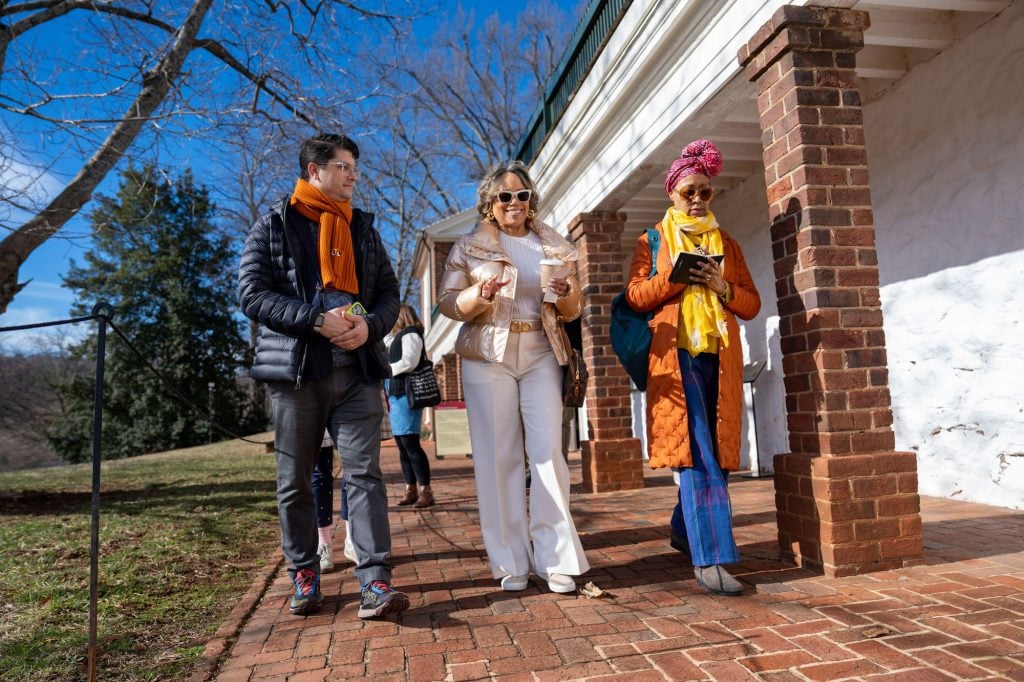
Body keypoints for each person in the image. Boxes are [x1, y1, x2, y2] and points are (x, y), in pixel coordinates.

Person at [238, 132, 409, 619]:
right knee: (293, 482)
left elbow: (389, 296)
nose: (354, 174)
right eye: (343, 166)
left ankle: (374, 583)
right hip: (298, 375)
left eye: (355, 166)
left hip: (356, 372)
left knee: (366, 477)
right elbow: (252, 294)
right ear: (315, 170)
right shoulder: (274, 225)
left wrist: (369, 327)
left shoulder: (363, 230)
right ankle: (305, 574)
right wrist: (316, 320)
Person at [438, 160, 589, 594]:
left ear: (531, 199)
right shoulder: (469, 246)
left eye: (521, 195)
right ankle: (510, 560)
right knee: (497, 457)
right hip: (488, 354)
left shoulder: (554, 246)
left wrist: (567, 294)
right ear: (490, 203)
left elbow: (573, 311)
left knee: (548, 454)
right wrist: (477, 295)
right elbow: (448, 302)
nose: (514, 203)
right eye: (504, 196)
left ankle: (556, 559)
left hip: (542, 349)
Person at [625, 139, 761, 596]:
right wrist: (674, 277)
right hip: (674, 358)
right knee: (700, 453)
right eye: (689, 193)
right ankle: (712, 559)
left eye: (705, 192)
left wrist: (723, 287)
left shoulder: (729, 244)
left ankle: (686, 532)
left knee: (717, 457)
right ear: (672, 194)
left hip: (719, 359)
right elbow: (635, 296)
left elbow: (751, 304)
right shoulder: (652, 241)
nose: (698, 200)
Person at [385, 305, 435, 509]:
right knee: (402, 445)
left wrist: (387, 370)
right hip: (396, 395)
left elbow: (410, 361)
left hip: (407, 395)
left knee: (411, 444)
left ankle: (425, 490)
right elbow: (384, 343)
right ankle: (410, 489)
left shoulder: (411, 333)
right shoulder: (395, 337)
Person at [312, 431, 357, 572]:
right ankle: (323, 543)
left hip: (348, 410)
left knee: (354, 469)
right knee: (319, 472)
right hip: (315, 410)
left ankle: (352, 539)